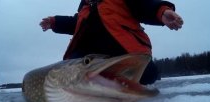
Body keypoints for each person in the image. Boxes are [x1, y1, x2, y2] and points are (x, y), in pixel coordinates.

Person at [39, 0, 183, 85]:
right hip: (90, 55)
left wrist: (162, 12)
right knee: (69, 73)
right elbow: (77, 23)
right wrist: (55, 22)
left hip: (121, 49)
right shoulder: (85, 4)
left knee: (147, 75)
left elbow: (144, 5)